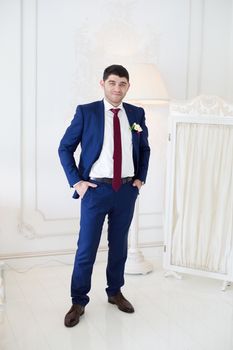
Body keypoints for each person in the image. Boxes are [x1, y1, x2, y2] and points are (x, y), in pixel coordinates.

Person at [58, 64, 150, 327]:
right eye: (112, 82)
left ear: (128, 86)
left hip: (126, 190)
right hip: (95, 190)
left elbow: (144, 148)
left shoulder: (136, 113)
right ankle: (78, 301)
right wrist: (77, 182)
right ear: (102, 84)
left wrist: (140, 178)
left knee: (119, 246)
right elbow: (65, 148)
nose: (117, 88)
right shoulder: (86, 112)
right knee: (86, 248)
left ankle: (115, 292)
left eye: (122, 83)